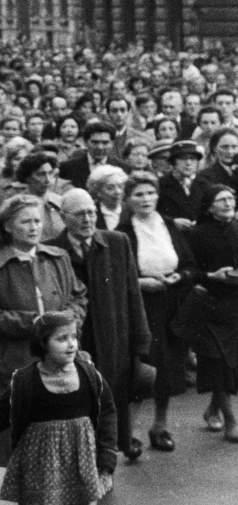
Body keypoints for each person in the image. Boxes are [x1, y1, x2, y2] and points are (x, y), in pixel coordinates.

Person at [52, 189, 152, 464]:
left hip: (112, 338)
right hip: (76, 341)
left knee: (111, 401)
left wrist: (140, 342)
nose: (87, 219)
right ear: (63, 217)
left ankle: (105, 463)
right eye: (79, 214)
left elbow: (133, 294)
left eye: (91, 213)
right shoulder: (53, 250)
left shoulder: (116, 242)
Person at [1, 315, 117, 505]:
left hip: (84, 460)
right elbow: (1, 412)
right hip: (44, 464)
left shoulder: (89, 375)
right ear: (42, 343)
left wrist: (106, 458)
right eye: (61, 339)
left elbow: (107, 413)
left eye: (74, 337)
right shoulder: (25, 381)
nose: (71, 344)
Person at [173, 183, 238, 444]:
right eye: (221, 200)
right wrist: (212, 275)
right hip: (210, 304)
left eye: (231, 198)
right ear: (209, 207)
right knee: (218, 361)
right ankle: (231, 421)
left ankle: (212, 408)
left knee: (232, 363)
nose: (228, 203)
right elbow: (188, 270)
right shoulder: (197, 235)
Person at [120, 171, 197, 454]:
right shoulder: (124, 230)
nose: (146, 199)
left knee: (169, 368)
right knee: (145, 368)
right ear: (128, 199)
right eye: (138, 194)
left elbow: (189, 263)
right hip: (142, 305)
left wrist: (180, 277)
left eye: (150, 193)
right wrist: (140, 283)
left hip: (171, 303)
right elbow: (116, 275)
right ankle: (131, 432)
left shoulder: (168, 224)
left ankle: (160, 426)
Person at [0, 195, 87, 390]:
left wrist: (66, 319)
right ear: (8, 227)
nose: (34, 227)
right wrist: (32, 323)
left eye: (37, 221)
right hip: (16, 359)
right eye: (25, 222)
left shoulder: (58, 257)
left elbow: (78, 297)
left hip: (63, 356)